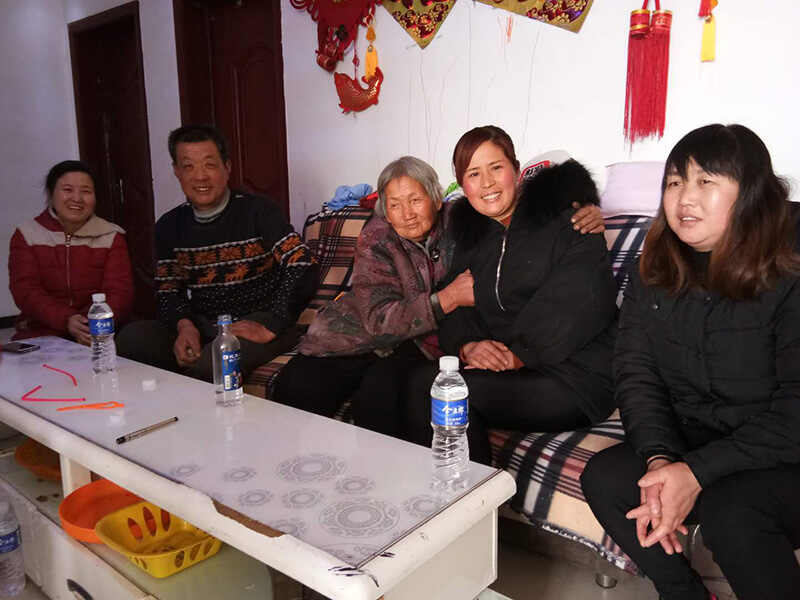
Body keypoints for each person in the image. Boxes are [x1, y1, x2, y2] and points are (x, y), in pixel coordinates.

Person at [580, 124, 800, 600]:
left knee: (731, 509)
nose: (685, 198)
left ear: (751, 193)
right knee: (608, 477)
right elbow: (637, 375)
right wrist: (661, 459)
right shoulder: (655, 266)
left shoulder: (791, 266)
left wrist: (696, 473)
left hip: (784, 452)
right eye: (675, 182)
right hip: (702, 436)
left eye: (706, 181)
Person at [274, 155, 606, 437]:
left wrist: (584, 202)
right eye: (394, 205)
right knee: (296, 388)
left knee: (382, 393)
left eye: (415, 200)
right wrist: (447, 299)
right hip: (358, 336)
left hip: (421, 343)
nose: (406, 213)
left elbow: (522, 197)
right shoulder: (376, 237)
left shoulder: (463, 221)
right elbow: (378, 320)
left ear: (437, 199)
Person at [403, 126, 618, 465]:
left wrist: (517, 354)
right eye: (474, 174)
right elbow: (456, 304)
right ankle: (458, 493)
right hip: (517, 370)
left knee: (439, 391)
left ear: (516, 171)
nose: (487, 183)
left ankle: (472, 496)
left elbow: (579, 304)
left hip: (575, 377)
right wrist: (468, 345)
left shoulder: (569, 220)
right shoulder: (471, 237)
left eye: (496, 168)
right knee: (422, 383)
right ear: (462, 185)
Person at [116, 125, 316, 382]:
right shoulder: (169, 225)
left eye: (209, 165)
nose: (200, 176)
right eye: (188, 167)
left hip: (258, 321)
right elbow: (168, 290)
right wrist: (184, 326)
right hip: (206, 325)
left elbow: (302, 264)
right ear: (177, 172)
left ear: (227, 167)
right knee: (131, 340)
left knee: (216, 361)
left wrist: (273, 323)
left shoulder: (258, 211)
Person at [8, 160, 134, 343]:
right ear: (51, 194)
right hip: (42, 329)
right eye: (67, 190)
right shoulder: (28, 234)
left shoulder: (111, 235)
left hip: (99, 330)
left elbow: (119, 292)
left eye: (86, 191)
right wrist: (66, 319)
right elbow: (25, 290)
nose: (77, 198)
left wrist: (90, 325)